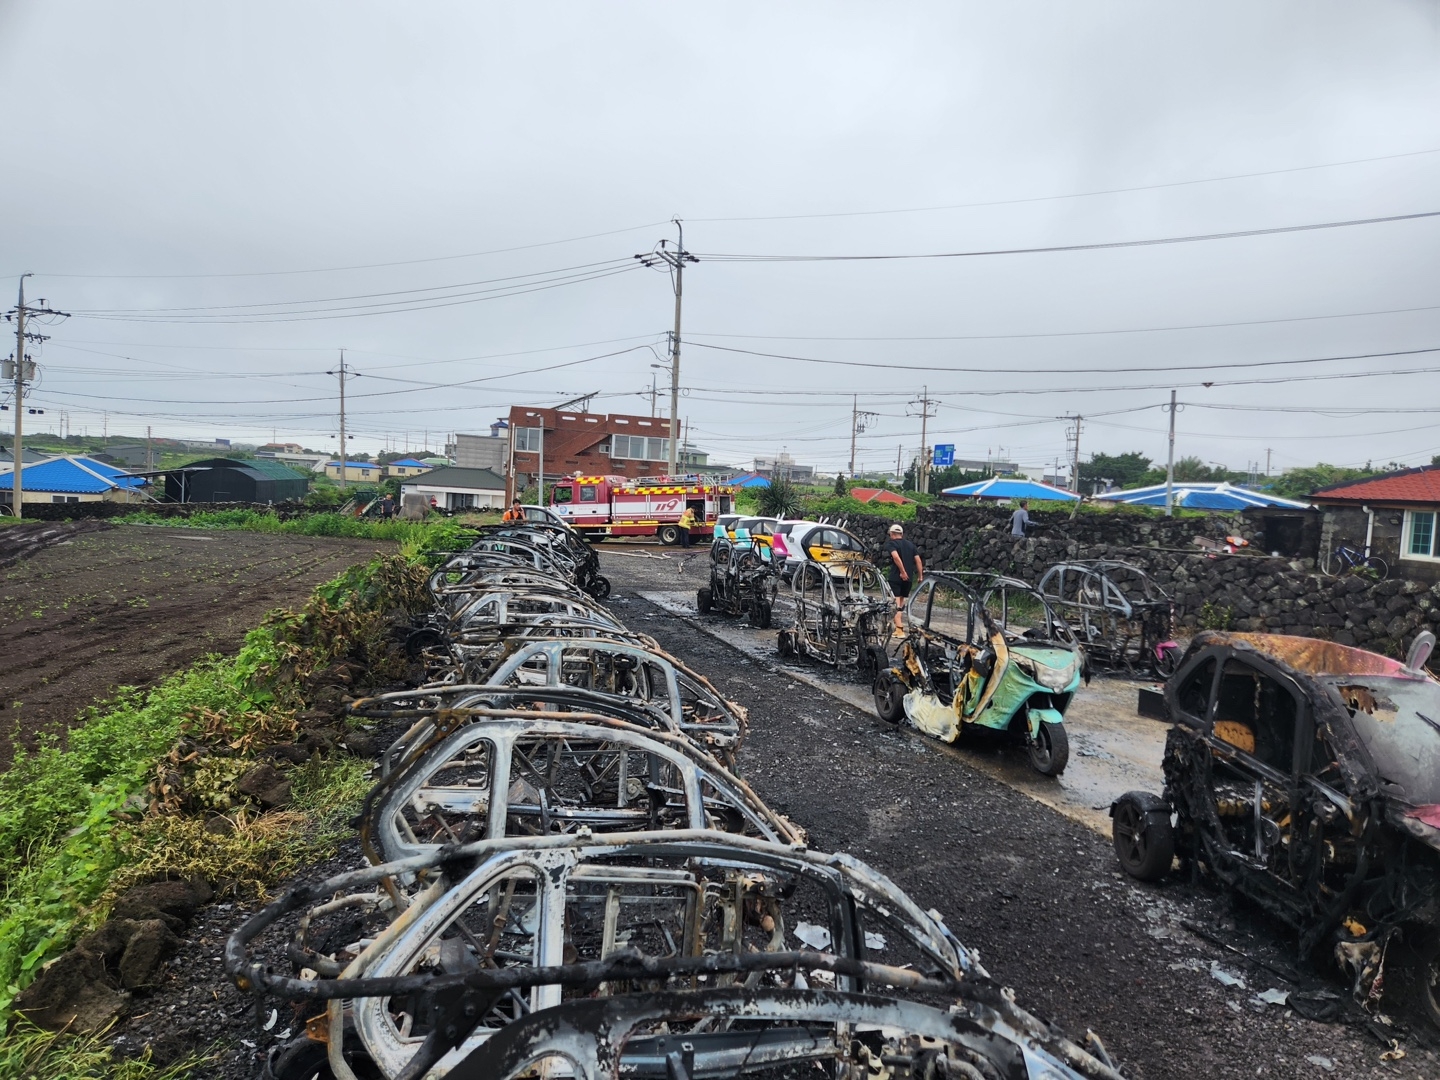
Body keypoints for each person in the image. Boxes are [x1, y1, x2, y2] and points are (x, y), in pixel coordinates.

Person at [882, 523, 922, 630]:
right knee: (901, 601)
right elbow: (918, 560)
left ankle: (899, 628)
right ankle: (897, 625)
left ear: (892, 534)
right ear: (902, 534)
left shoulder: (892, 544)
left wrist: (902, 571)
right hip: (908, 578)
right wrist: (920, 576)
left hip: (896, 576)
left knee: (896, 603)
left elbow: (895, 557)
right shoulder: (911, 545)